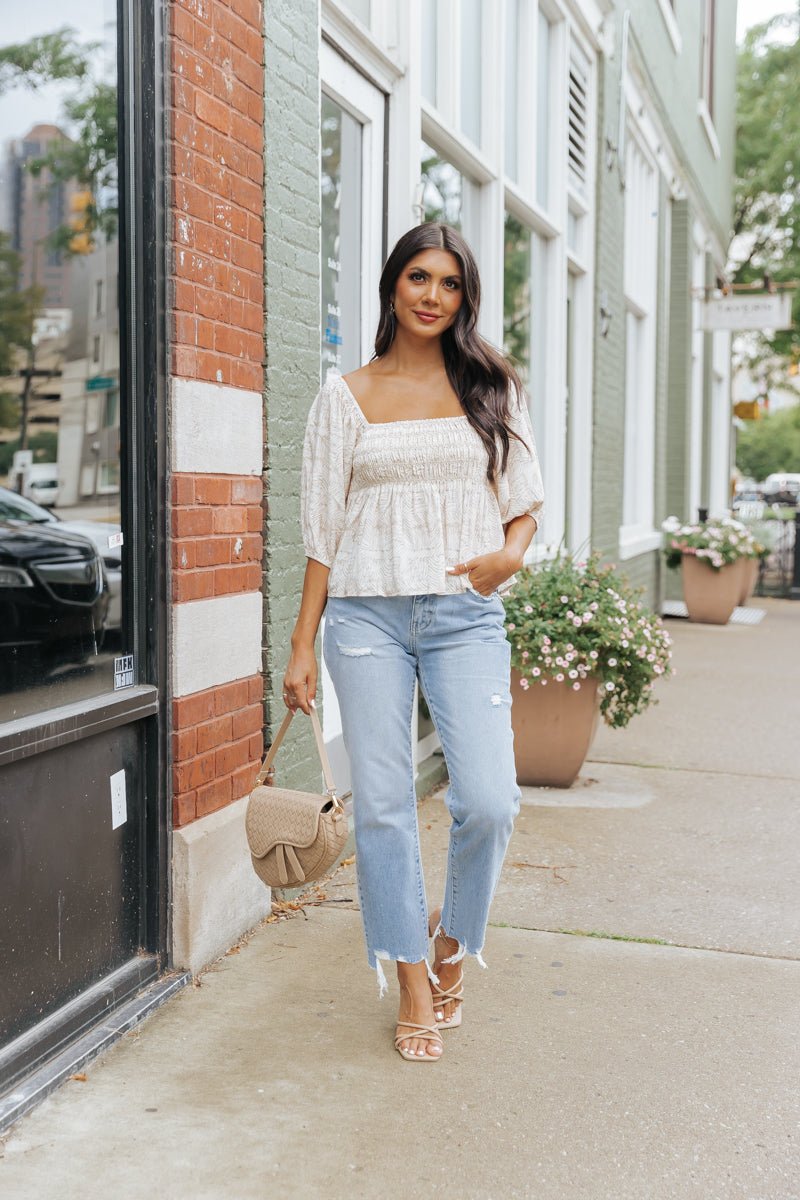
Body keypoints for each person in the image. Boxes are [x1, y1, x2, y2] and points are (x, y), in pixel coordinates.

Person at [282, 222, 544, 1062]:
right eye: (419, 279)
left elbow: (525, 499)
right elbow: (322, 532)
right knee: (386, 808)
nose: (433, 296)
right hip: (365, 619)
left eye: (451, 284)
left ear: (465, 298)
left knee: (490, 801)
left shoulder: (491, 385)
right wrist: (299, 647)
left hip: (464, 612)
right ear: (393, 286)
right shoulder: (345, 394)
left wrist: (509, 554)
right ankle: (410, 979)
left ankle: (452, 944)